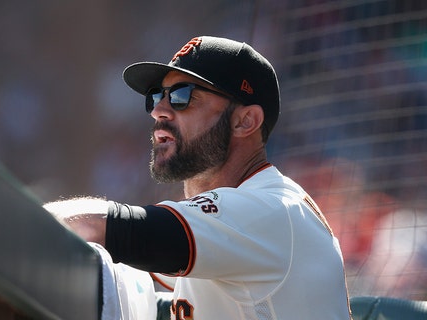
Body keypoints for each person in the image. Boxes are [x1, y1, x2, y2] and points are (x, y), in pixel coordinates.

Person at [45, 36, 352, 319]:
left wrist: (18, 222)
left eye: (182, 96)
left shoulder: (269, 208)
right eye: (156, 96)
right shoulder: (236, 228)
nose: (159, 111)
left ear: (246, 121)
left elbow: (97, 226)